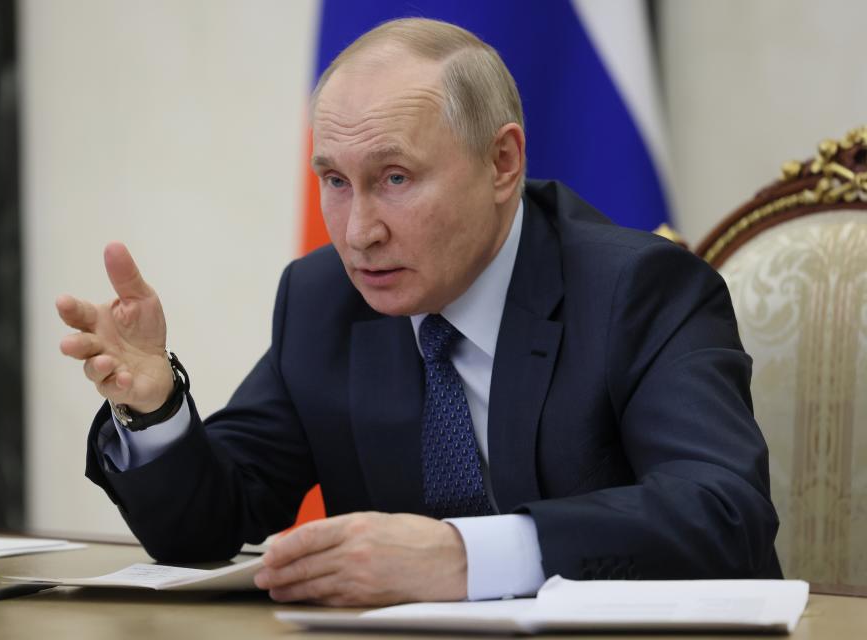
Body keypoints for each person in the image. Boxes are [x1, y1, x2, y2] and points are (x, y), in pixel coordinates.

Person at [56, 18, 781, 607]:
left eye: (394, 178)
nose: (357, 231)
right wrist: (154, 409)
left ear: (502, 163)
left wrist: (468, 556)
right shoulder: (323, 300)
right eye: (335, 181)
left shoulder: (642, 291)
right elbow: (209, 525)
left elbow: (722, 514)